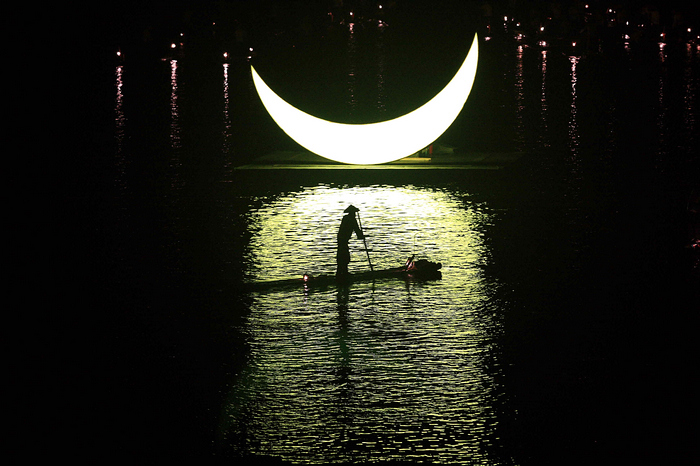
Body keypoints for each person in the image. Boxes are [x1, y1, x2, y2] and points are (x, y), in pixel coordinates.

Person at [337, 205, 364, 276]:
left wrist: (360, 235)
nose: (355, 214)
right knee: (344, 256)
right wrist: (361, 236)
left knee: (342, 256)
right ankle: (343, 273)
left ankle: (341, 272)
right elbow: (357, 230)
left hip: (341, 239)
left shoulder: (345, 218)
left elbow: (356, 230)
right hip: (343, 240)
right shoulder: (351, 219)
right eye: (354, 213)